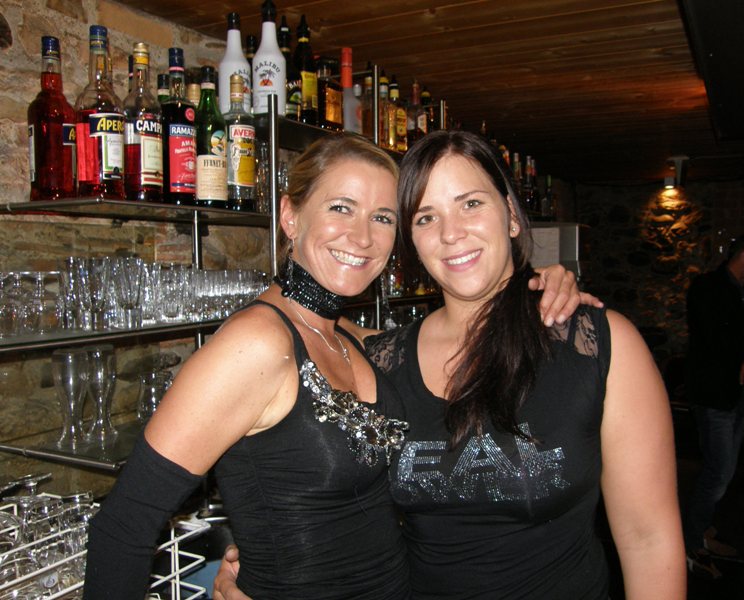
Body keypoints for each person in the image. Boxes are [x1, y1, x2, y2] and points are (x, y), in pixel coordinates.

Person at [83, 133, 592, 599]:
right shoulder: (255, 344)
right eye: (341, 208)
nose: (362, 237)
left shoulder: (352, 340)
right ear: (290, 216)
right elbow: (124, 525)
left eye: (383, 218)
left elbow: (456, 335)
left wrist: (534, 285)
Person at [216, 130, 684, 599]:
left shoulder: (598, 345)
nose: (450, 233)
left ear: (511, 215)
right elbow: (328, 500)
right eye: (426, 217)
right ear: (411, 241)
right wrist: (261, 574)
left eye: (471, 204)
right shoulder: (379, 361)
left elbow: (649, 540)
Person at [684, 233, 744, 578]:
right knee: (718, 472)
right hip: (713, 396)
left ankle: (702, 529)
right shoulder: (708, 287)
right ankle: (691, 541)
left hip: (735, 395)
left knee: (723, 470)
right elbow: (717, 337)